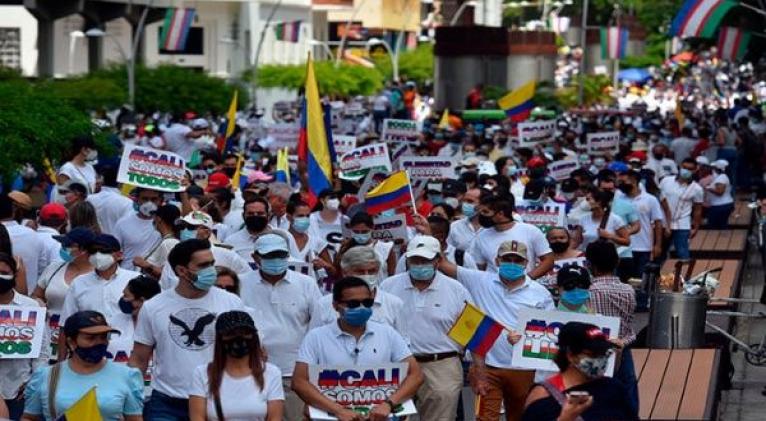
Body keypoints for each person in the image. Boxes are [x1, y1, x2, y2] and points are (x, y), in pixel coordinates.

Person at [438, 240, 555, 421]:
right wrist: (429, 235)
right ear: (497, 260)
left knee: (520, 418)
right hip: (486, 368)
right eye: (507, 259)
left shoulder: (540, 293)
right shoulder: (480, 280)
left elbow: (549, 335)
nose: (512, 264)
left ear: (526, 263)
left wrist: (524, 338)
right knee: (484, 417)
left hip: (524, 370)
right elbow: (444, 265)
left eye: (518, 260)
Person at [129, 239, 244, 420]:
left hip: (219, 400)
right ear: (182, 271)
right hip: (167, 403)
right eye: (203, 265)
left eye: (212, 263)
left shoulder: (231, 302)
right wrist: (132, 404)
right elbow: (139, 359)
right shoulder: (153, 307)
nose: (211, 270)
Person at [292, 277, 424, 421]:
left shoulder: (388, 333)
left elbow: (416, 375)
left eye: (367, 302)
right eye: (353, 304)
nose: (361, 308)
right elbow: (299, 381)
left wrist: (388, 404)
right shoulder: (316, 337)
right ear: (335, 305)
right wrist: (338, 410)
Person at [379, 235, 473, 421]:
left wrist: (476, 365)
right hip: (398, 367)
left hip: (442, 365)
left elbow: (471, 328)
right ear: (407, 260)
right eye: (415, 260)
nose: (420, 264)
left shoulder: (456, 289)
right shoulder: (388, 286)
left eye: (425, 260)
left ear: (438, 260)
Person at [238, 233, 322, 421]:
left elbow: (316, 326)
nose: (276, 260)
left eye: (280, 255)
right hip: (252, 372)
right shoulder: (241, 283)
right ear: (255, 257)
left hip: (293, 374)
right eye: (269, 256)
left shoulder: (306, 283)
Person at [22, 311, 143, 421]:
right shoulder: (46, 376)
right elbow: (29, 417)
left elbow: (134, 419)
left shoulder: (126, 376)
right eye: (90, 338)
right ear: (71, 342)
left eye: (103, 337)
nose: (99, 342)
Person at [521, 322, 638, 421]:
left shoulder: (614, 389)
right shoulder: (543, 395)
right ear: (571, 355)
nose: (600, 360)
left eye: (604, 354)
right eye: (592, 355)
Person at [189, 311, 284, 421]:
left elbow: (275, 417)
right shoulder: (202, 373)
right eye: (231, 334)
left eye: (245, 333)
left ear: (254, 337)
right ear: (220, 339)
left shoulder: (271, 373)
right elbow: (197, 417)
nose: (239, 338)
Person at [59, 234, 140, 357]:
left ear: (119, 255)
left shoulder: (135, 280)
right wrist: (61, 362)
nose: (97, 255)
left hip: (128, 353)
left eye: (103, 251)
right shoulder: (79, 283)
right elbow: (65, 325)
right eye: (93, 251)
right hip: (89, 353)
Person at [585, 241, 638, 414]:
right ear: (617, 262)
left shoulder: (589, 291)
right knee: (627, 392)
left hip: (596, 351)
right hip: (623, 345)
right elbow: (629, 320)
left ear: (589, 265)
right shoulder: (628, 290)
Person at [0, 253, 50, 420]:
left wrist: (34, 382)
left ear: (14, 274)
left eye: (4, 272)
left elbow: (42, 352)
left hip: (21, 390)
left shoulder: (31, 306)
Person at [33, 228, 96, 360]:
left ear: (83, 250)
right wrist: (37, 302)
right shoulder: (54, 268)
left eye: (67, 245)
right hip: (47, 339)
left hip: (79, 344)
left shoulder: (97, 276)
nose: (62, 248)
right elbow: (36, 295)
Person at [312, 246, 404, 331]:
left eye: (372, 271)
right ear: (345, 273)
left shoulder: (394, 304)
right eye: (360, 271)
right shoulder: (324, 304)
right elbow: (314, 341)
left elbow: (402, 341)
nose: (366, 275)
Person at [158, 211, 251, 291]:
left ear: (207, 232)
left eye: (190, 227)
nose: (184, 230)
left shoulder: (227, 256)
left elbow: (248, 280)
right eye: (182, 227)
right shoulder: (174, 258)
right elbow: (164, 287)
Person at [471, 195, 554, 278]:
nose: (481, 215)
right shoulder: (481, 236)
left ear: (500, 214)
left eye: (485, 212)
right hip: (492, 287)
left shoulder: (530, 231)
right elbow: (480, 267)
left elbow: (548, 260)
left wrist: (527, 279)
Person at [108, 275, 161, 365]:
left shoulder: (162, 325)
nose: (122, 299)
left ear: (141, 300)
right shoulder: (114, 321)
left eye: (126, 296)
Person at [396, 215, 477, 271]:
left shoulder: (462, 258)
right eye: (419, 232)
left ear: (441, 237)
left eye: (425, 233)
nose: (420, 237)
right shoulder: (408, 256)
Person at [659, 158, 704, 260]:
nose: (686, 170)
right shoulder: (666, 181)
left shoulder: (697, 189)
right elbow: (658, 200)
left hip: (682, 224)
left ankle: (684, 275)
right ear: (680, 167)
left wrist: (695, 227)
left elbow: (698, 209)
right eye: (684, 168)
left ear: (695, 170)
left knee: (682, 252)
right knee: (660, 251)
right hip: (663, 222)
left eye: (690, 169)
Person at [0, 192, 44, 293]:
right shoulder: (34, 235)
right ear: (13, 211)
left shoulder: (33, 234)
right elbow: (43, 268)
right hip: (29, 302)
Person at [113, 187, 163, 271]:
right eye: (145, 199)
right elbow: (114, 253)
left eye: (154, 199)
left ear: (160, 201)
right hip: (128, 275)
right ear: (137, 200)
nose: (149, 203)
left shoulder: (166, 224)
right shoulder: (123, 223)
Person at [335, 212, 396, 279]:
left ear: (372, 228)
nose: (360, 235)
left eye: (364, 232)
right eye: (356, 232)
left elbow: (392, 275)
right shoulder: (344, 248)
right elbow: (338, 274)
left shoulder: (386, 248)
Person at [285, 200, 334, 278]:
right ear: (289, 217)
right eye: (300, 216)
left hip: (311, 287)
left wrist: (325, 265)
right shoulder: (280, 240)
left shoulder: (317, 242)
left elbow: (333, 272)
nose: (305, 219)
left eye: (307, 216)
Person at [133, 205, 180, 279]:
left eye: (154, 217)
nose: (153, 220)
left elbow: (170, 276)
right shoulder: (164, 240)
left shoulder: (170, 243)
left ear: (159, 219)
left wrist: (146, 265)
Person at [226, 196, 278, 261]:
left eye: (260, 213)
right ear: (243, 216)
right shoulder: (231, 241)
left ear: (269, 215)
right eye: (250, 214)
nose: (255, 216)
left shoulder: (283, 236)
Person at [86, 165, 133, 235]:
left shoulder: (88, 199)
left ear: (103, 180)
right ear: (121, 183)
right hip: (116, 243)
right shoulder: (127, 203)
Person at [34, 203, 68, 274]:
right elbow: (57, 272)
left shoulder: (29, 237)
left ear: (39, 219)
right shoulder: (58, 243)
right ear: (64, 222)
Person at [448, 188, 484, 252]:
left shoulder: (493, 228)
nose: (465, 204)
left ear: (483, 204)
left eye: (470, 201)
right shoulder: (455, 226)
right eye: (464, 200)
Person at [705, 159, 734, 229]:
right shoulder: (722, 176)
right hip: (722, 205)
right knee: (722, 225)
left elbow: (720, 192)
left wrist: (708, 188)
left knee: (715, 226)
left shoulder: (721, 178)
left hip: (720, 206)